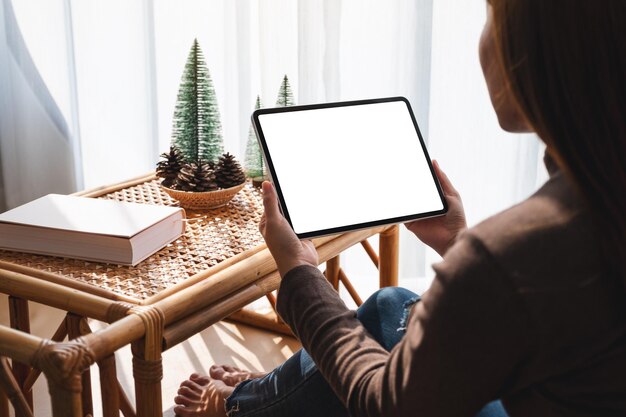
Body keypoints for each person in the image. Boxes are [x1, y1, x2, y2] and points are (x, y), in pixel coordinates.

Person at [173, 1, 626, 416]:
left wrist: (299, 271)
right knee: (391, 304)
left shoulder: (508, 254)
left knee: (358, 360)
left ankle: (241, 405)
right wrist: (458, 242)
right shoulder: (595, 199)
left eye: (491, 16)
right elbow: (542, 302)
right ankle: (271, 389)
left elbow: (384, 404)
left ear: (540, 49)